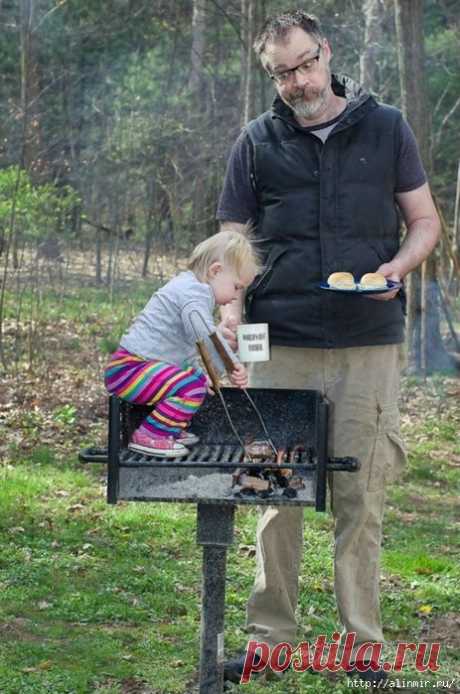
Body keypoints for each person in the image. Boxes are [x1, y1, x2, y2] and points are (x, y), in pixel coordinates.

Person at [216, 9, 440, 684]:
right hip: (278, 343)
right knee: (274, 493)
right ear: (270, 74)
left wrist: (396, 271)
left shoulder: (387, 126)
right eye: (282, 72)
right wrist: (230, 313)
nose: (298, 81)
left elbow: (424, 220)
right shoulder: (255, 142)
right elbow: (231, 243)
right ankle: (270, 641)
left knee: (360, 497)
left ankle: (364, 647)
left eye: (306, 64)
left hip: (367, 343)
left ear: (327, 53)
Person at [104, 228, 261, 458]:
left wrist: (208, 369)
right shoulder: (193, 295)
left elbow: (193, 344)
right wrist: (233, 365)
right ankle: (150, 435)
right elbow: (206, 336)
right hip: (129, 369)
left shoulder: (192, 289)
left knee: (198, 380)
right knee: (192, 387)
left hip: (140, 367)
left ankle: (170, 426)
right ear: (215, 271)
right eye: (237, 286)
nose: (237, 295)